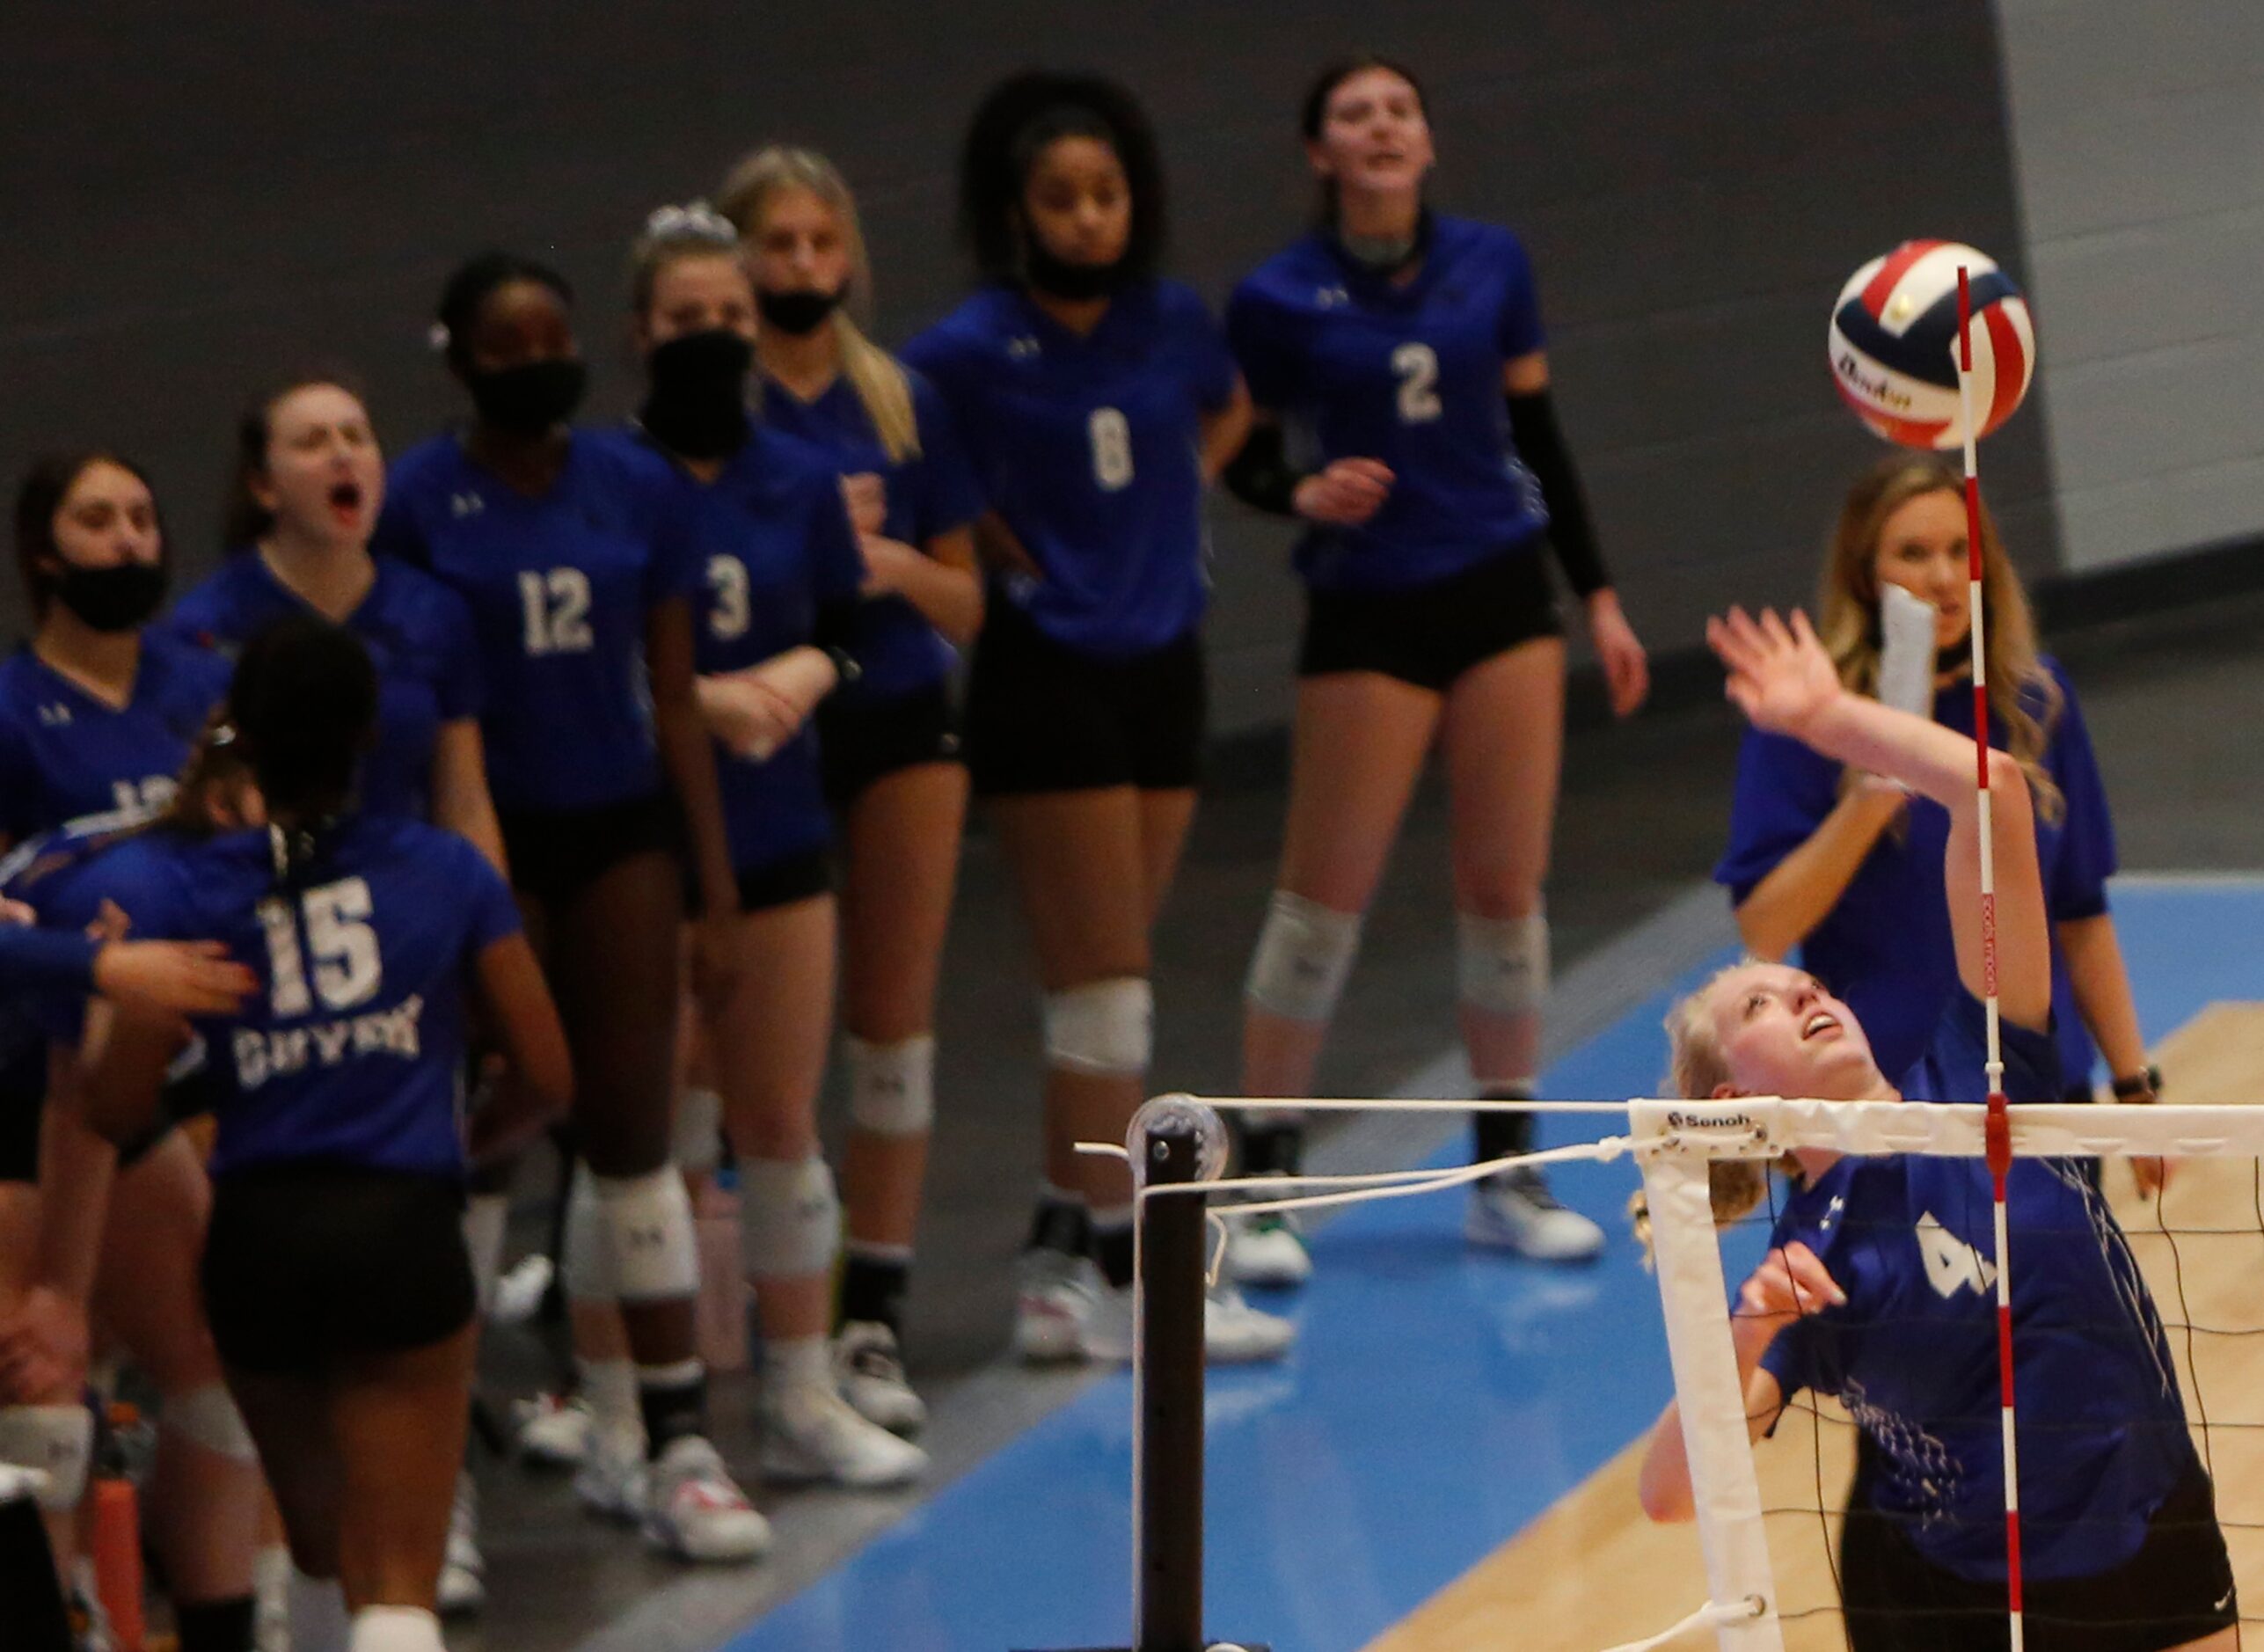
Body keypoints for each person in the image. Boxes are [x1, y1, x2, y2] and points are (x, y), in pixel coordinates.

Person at [1638, 606, 2234, 1652]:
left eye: (1807, 980)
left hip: (2152, 1535)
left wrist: (1832, 718)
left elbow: (1995, 795)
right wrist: (1749, 1328)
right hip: (1966, 1599)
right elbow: (1668, 1496)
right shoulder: (1808, 1267)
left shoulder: (1985, 1067)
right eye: (1760, 1009)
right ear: (1733, 1107)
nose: (1806, 996)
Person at [1217, 55, 1650, 1283]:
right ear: (1319, 152)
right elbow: (1235, 453)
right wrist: (1296, 490)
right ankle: (1260, 1181)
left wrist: (1601, 598)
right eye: (1353, 116)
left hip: (1500, 591)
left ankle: (1504, 1175)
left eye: (1398, 109)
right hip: (1367, 609)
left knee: (1504, 896)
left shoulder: (1489, 262)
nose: (1380, 128)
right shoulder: (1276, 295)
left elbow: (1537, 435)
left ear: (1425, 138)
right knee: (1319, 909)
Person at [74, 616, 570, 1652]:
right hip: (398, 1225)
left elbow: (115, 1109)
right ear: (368, 736)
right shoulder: (444, 872)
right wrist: (465, 1145)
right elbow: (548, 1076)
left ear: (241, 736)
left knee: (315, 1550)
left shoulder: (185, 887)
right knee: (398, 1583)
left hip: (257, 1238)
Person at [373, 254, 761, 1560]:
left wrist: (715, 887)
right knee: (489, 1132)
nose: (537, 354)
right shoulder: (421, 499)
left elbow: (675, 690)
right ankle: (446, 1476)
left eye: (554, 331)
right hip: (488, 838)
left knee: (633, 1133)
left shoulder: (631, 480)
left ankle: (673, 1441)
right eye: (507, 338)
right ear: (461, 358)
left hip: (619, 823)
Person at [902, 70, 1287, 1364]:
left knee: (1098, 991)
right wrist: (1032, 555)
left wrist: (1165, 518)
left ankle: (1055, 1251)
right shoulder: (961, 352)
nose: (1085, 218)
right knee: (1109, 1000)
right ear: (1014, 212)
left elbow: (1230, 408)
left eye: (1105, 194)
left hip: (1161, 664)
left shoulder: (1173, 323)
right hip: (1043, 673)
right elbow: (934, 488)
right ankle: (1134, 1267)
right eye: (1058, 199)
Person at [563, 202, 924, 1491]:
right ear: (638, 335)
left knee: (778, 1117)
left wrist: (805, 670)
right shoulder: (604, 482)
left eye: (727, 316)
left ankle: (803, 1389)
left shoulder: (794, 477)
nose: (710, 337)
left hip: (776, 833)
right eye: (684, 321)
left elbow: (861, 629)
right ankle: (618, 1412)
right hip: (636, 842)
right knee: (641, 1129)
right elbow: (575, 663)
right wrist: (692, 703)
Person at [718, 144, 983, 1436]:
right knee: (751, 1056)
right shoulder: (721, 412)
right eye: (778, 246)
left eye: (824, 245)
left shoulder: (900, 400)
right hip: (762, 730)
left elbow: (965, 597)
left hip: (894, 720)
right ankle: (756, 1314)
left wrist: (869, 554)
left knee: (892, 1028)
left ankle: (871, 1307)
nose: (805, 269)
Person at [0, 452, 268, 1651]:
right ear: (42, 553)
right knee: (40, 1381)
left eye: (142, 515)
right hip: (21, 1082)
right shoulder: (11, 712)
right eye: (94, 519)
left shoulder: (203, 692)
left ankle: (218, 1622)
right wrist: (96, 965)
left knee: (210, 1356)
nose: (125, 538)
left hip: (135, 1085)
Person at [1715, 455, 2151, 1144]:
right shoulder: (1807, 722)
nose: (1944, 579)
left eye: (1960, 551)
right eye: (1914, 555)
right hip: (1887, 1108)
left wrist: (2134, 1085)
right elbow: (1764, 930)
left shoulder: (2037, 704)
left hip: (2038, 1099)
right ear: (1865, 574)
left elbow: (2081, 915)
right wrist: (1870, 799)